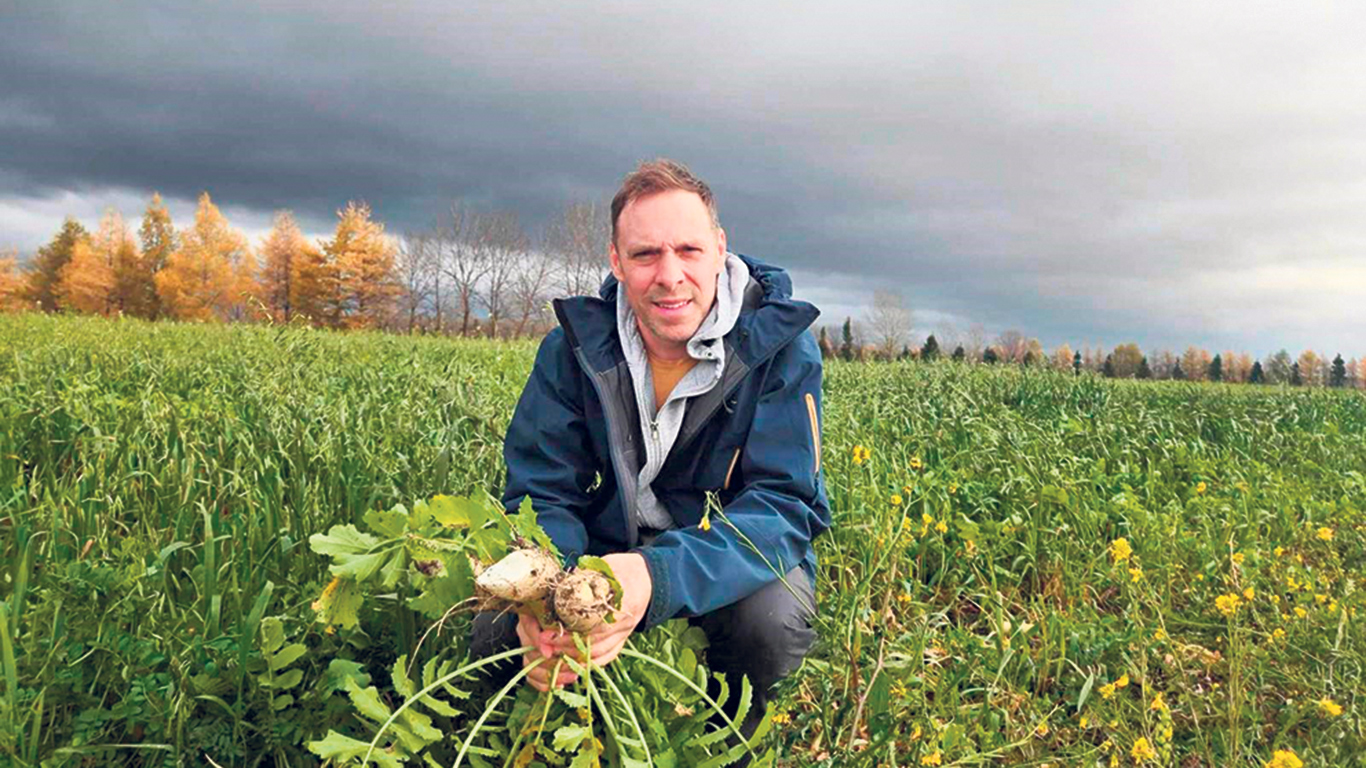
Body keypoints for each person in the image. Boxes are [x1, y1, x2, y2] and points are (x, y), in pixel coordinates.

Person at [474, 158, 830, 735]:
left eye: (688, 250)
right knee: (494, 629)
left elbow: (784, 507)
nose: (669, 276)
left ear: (719, 249)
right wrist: (549, 593)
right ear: (616, 261)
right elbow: (542, 491)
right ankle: (547, 729)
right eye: (644, 255)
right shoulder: (571, 350)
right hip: (603, 543)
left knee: (770, 622)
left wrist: (655, 578)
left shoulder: (781, 349)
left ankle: (721, 737)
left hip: (721, 550)